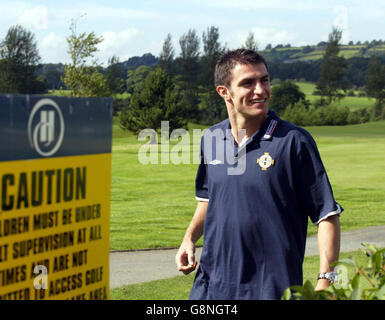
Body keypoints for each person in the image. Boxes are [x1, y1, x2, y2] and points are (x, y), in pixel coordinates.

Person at [175, 49, 342, 300]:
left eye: (264, 80)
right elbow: (209, 199)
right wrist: (189, 239)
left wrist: (326, 281)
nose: (261, 90)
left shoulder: (293, 141)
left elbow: (326, 215)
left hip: (270, 290)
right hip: (211, 287)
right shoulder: (211, 139)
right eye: (248, 83)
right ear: (224, 92)